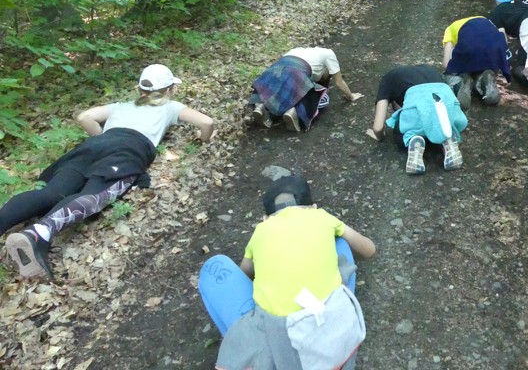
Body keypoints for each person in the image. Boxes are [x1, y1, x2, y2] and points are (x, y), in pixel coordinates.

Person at [1, 64, 215, 280]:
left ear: (140, 90)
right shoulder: (171, 106)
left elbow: (85, 117)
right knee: (93, 196)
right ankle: (38, 234)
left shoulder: (121, 106)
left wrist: (103, 137)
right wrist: (203, 139)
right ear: (169, 90)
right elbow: (207, 122)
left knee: (51, 193)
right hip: (128, 151)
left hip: (94, 146)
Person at [199, 174, 376, 370]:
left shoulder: (261, 230)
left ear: (265, 218)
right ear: (314, 206)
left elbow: (244, 275)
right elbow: (369, 250)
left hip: (282, 352)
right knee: (340, 242)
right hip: (336, 340)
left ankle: (248, 358)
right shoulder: (323, 217)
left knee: (216, 264)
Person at [366, 65, 466, 175]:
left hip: (417, 99)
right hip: (447, 103)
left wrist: (379, 136)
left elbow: (378, 127)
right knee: (438, 121)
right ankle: (447, 137)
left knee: (401, 131)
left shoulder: (387, 80)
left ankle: (414, 139)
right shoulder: (429, 69)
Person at [248, 47, 363, 132]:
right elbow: (339, 81)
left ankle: (262, 106)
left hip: (275, 70)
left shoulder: (297, 49)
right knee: (320, 97)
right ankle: (294, 113)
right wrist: (351, 96)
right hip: (296, 71)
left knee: (276, 92)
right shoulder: (329, 54)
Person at [442, 16, 511, 110]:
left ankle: (460, 82)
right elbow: (501, 33)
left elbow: (446, 63)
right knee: (481, 65)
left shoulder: (450, 28)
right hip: (494, 49)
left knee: (450, 73)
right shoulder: (487, 21)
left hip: (469, 47)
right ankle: (482, 80)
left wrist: (451, 68)